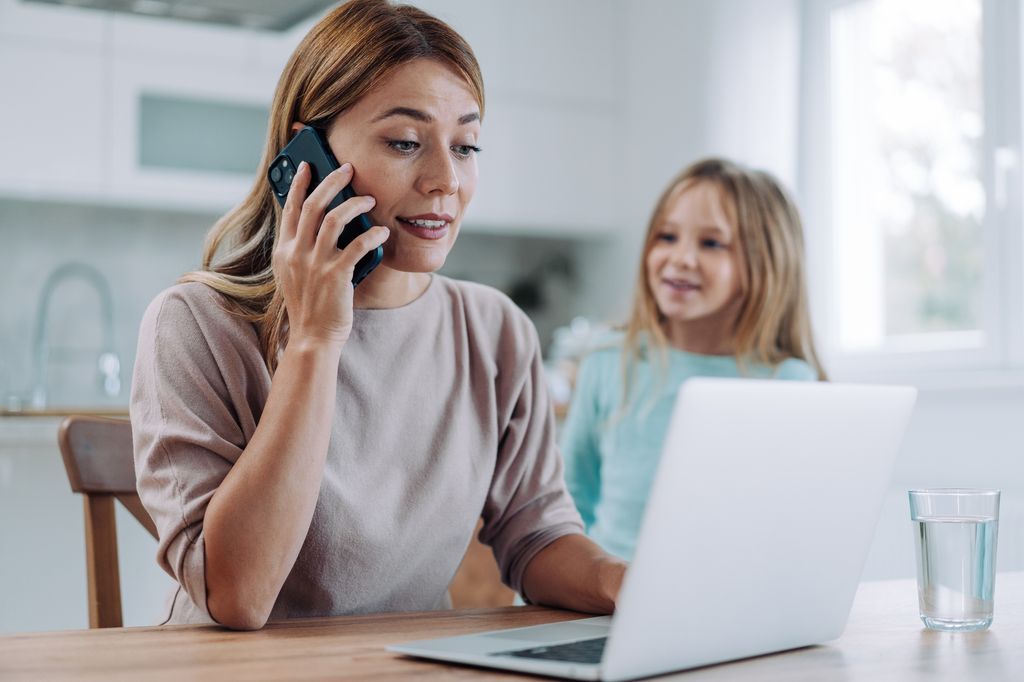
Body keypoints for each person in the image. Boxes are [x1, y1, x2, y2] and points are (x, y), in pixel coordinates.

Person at [130, 0, 625, 631]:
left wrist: (626, 582)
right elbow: (238, 596)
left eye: (467, 146)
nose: (446, 179)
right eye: (405, 142)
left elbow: (536, 536)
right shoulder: (195, 324)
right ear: (307, 158)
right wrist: (315, 338)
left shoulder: (495, 333)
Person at [560, 158, 826, 561]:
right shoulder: (608, 363)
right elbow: (566, 507)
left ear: (765, 264)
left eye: (711, 243)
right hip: (604, 604)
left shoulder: (789, 382)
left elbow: (794, 526)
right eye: (667, 237)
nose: (681, 258)